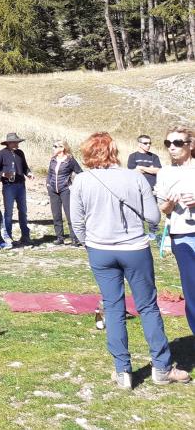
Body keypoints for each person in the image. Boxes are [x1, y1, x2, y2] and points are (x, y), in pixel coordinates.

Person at [70, 132, 190, 389]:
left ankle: (122, 371)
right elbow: (153, 217)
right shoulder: (134, 177)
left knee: (112, 308)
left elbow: (76, 222)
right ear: (114, 151)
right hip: (134, 249)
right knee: (147, 307)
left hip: (99, 250)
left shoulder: (81, 180)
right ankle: (161, 367)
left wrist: (89, 242)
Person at [155, 125, 195, 336]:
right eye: (168, 143)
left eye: (178, 143)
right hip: (182, 235)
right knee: (191, 290)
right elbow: (163, 209)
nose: (172, 147)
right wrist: (169, 204)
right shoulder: (165, 173)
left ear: (191, 145)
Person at [0, 132, 34, 244]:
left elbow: (25, 167)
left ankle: (25, 236)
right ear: (9, 143)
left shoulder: (20, 153)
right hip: (8, 186)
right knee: (9, 212)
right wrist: (4, 174)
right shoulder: (1, 154)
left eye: (18, 142)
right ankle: (8, 236)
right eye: (15, 142)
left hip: (21, 185)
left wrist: (29, 173)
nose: (17, 144)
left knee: (23, 211)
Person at [46, 140, 83, 246]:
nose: (53, 148)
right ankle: (59, 237)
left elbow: (80, 173)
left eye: (55, 146)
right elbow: (49, 174)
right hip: (53, 190)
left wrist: (73, 186)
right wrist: (48, 185)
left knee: (70, 214)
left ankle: (74, 238)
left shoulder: (70, 160)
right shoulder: (53, 160)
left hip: (66, 190)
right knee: (56, 214)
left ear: (62, 148)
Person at [127, 134, 162, 237]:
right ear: (139, 144)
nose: (148, 145)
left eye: (150, 143)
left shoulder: (154, 157)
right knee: (138, 210)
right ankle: (139, 232)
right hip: (137, 188)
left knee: (153, 211)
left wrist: (142, 167)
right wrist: (149, 168)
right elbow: (132, 172)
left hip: (152, 188)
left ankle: (153, 233)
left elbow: (158, 170)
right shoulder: (133, 156)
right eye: (146, 143)